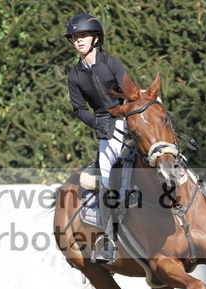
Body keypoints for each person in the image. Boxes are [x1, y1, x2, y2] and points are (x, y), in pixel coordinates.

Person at [65, 13, 129, 264]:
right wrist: (97, 123)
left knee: (166, 153)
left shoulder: (112, 63)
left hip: (128, 120)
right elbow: (79, 109)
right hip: (106, 129)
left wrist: (130, 118)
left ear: (95, 38)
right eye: (75, 37)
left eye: (83, 35)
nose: (79, 41)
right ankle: (110, 241)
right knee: (106, 176)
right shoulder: (75, 75)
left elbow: (130, 92)